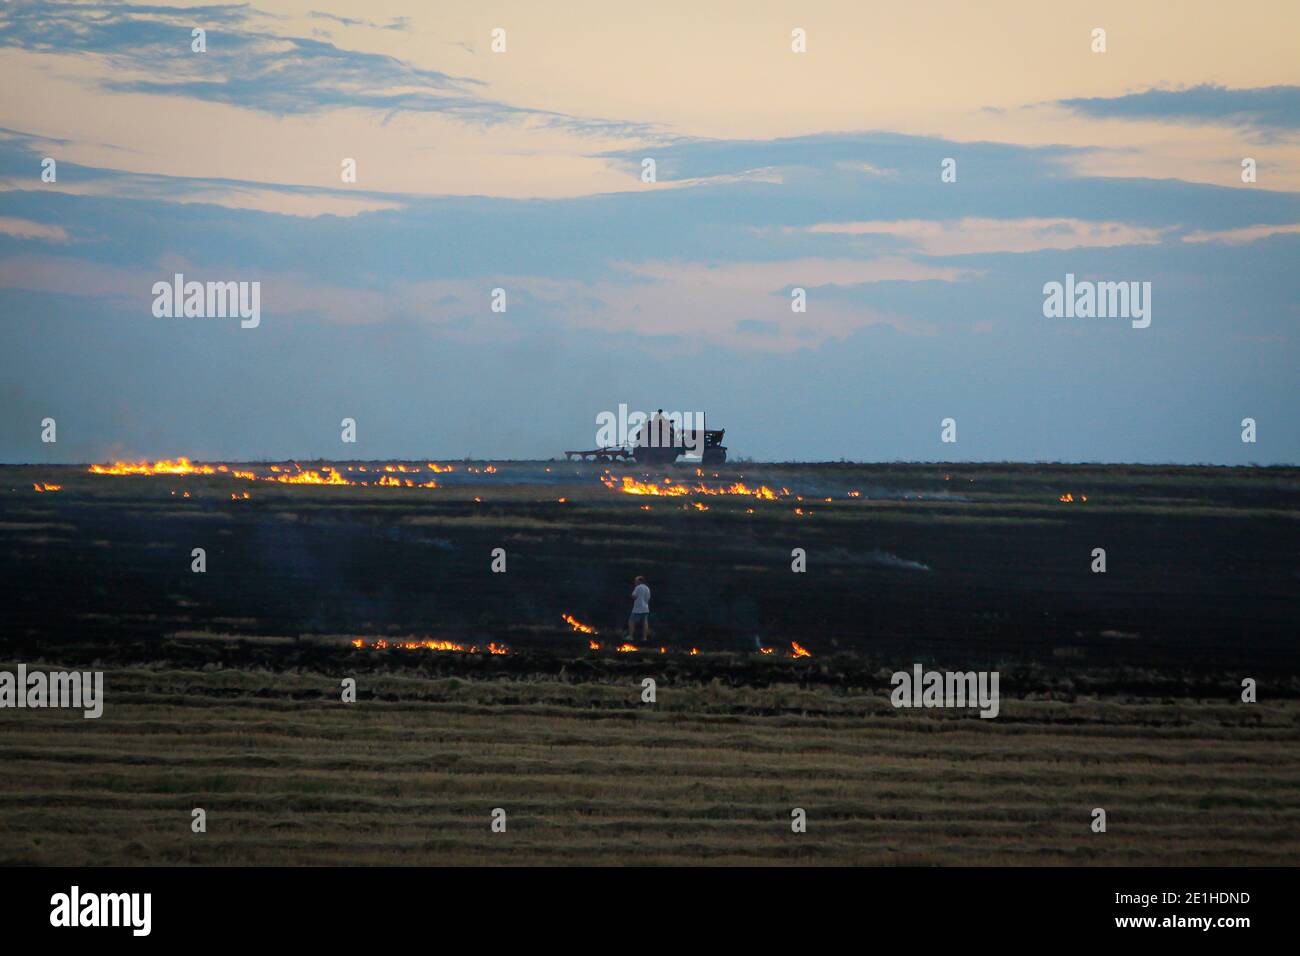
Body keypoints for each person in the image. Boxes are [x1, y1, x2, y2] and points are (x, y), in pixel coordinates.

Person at [629, 576, 651, 642]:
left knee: (631, 621)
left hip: (637, 609)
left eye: (636, 580)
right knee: (645, 622)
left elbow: (634, 596)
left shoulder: (638, 587)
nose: (635, 582)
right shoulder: (647, 588)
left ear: (639, 581)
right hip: (646, 608)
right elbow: (648, 598)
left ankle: (631, 637)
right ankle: (644, 638)